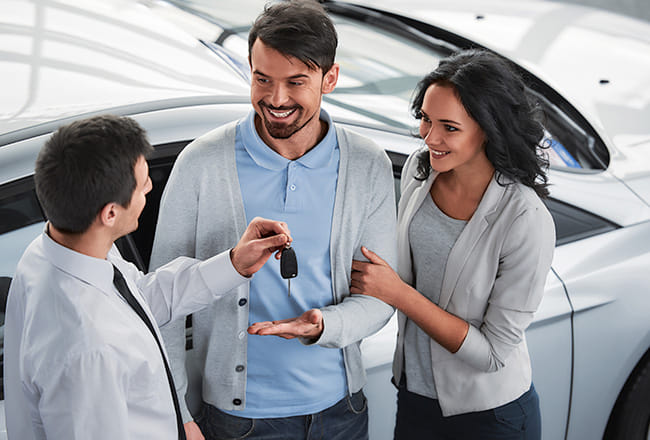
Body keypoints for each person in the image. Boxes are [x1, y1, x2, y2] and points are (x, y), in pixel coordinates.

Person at [148, 1, 397, 439]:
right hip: (236, 422)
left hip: (342, 414)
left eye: (296, 82)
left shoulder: (366, 164)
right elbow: (162, 304)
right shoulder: (202, 164)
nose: (276, 99)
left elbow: (381, 296)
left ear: (330, 79)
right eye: (262, 79)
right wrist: (178, 412)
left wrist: (324, 326)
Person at [3, 115, 292, 440]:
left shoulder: (55, 250)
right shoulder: (88, 351)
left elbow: (137, 299)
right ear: (110, 213)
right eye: (142, 185)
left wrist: (234, 264)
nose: (151, 188)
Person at [350, 49, 556, 440]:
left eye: (449, 127)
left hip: (489, 419)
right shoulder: (419, 168)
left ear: (487, 128)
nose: (431, 138)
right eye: (425, 120)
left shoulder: (525, 219)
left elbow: (493, 354)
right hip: (414, 398)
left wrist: (398, 294)